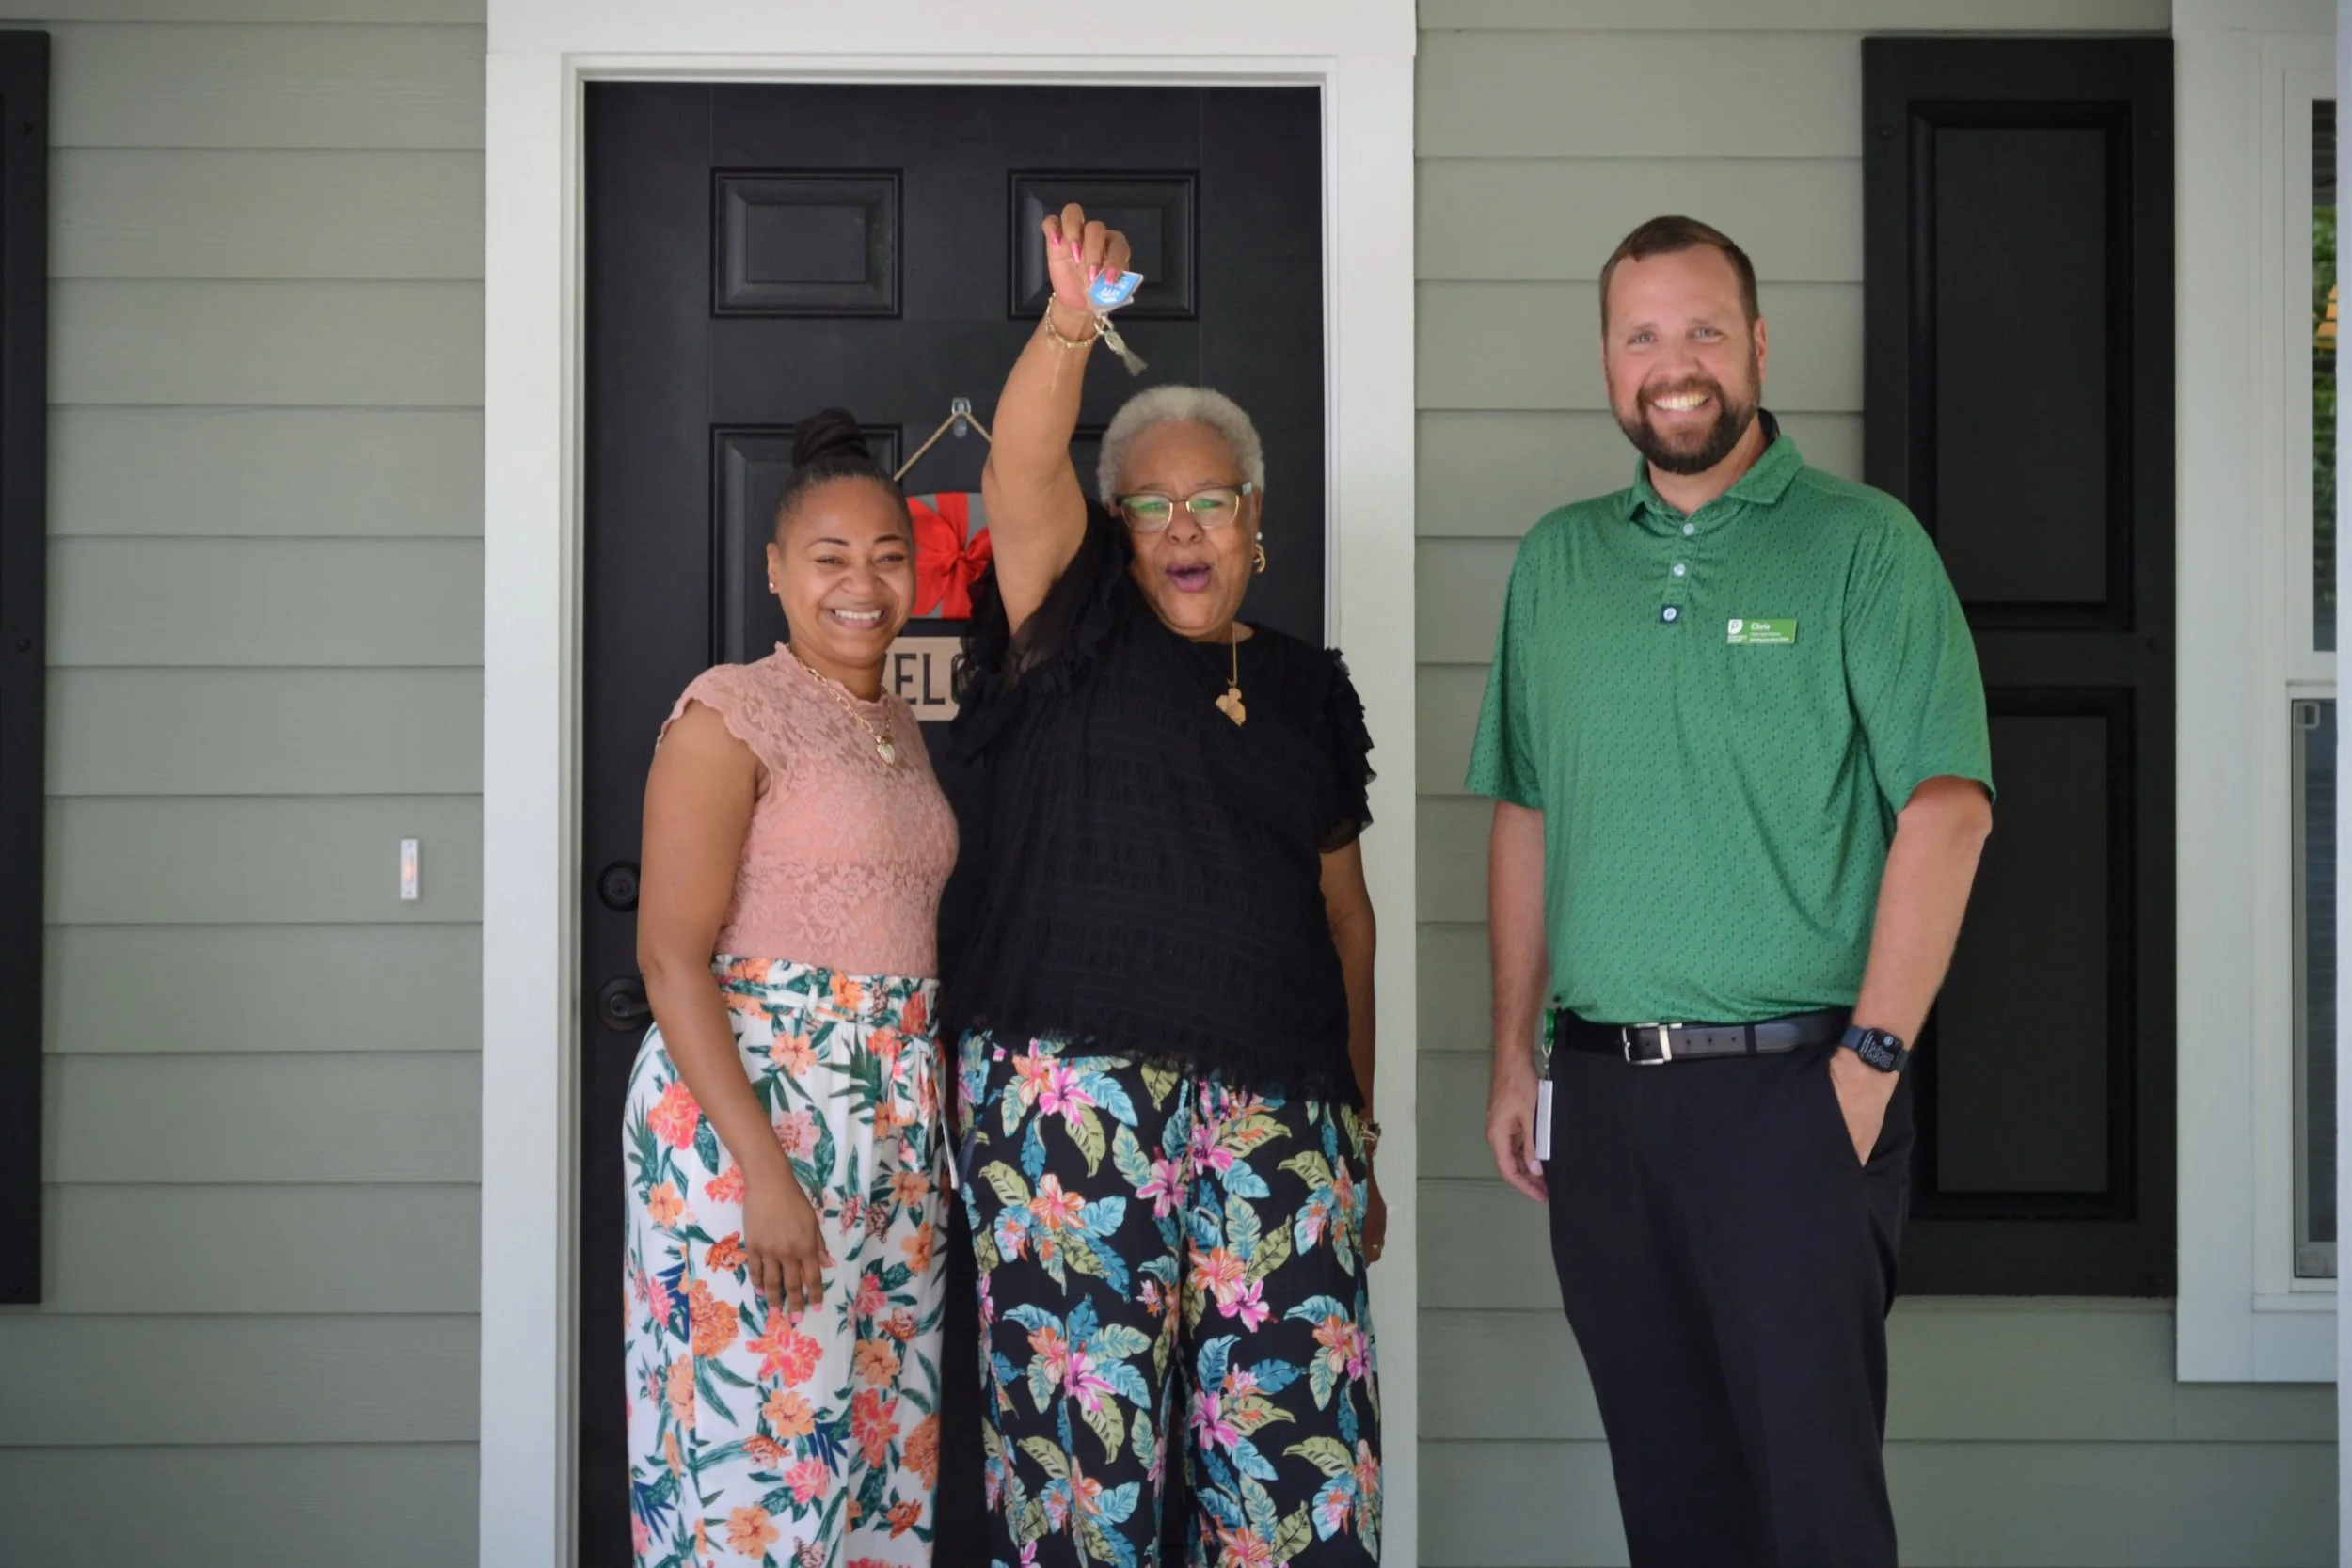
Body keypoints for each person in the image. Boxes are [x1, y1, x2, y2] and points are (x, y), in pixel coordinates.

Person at [1471, 215, 1994, 1568]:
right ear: (1606, 360)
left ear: (1760, 343)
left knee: (1816, 1516)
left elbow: (1948, 806)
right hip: (1607, 1108)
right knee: (1676, 1512)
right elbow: (1526, 814)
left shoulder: (1862, 546)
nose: (1676, 363)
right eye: (1643, 334)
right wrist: (1514, 1058)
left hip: (1796, 1096)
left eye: (1705, 328)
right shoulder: (1559, 563)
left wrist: (1868, 1065)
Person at [942, 203, 1385, 1566]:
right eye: (1151, 503)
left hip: (1281, 1118)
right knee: (1086, 1486)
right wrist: (1071, 323)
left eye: (1212, 500)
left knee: (1291, 1485)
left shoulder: (1310, 686)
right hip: (1070, 1106)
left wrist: (1356, 1127)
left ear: (1256, 518)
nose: (1183, 526)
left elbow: (1345, 915)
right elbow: (1020, 468)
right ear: (1116, 526)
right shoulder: (1069, 622)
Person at [623, 413, 959, 1567]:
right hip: (756, 1124)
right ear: (774, 569)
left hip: (890, 1134)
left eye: (887, 553)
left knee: (873, 1454)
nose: (863, 582)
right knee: (759, 1458)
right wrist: (763, 1169)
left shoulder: (896, 727)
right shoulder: (730, 711)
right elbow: (670, 955)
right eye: (829, 556)